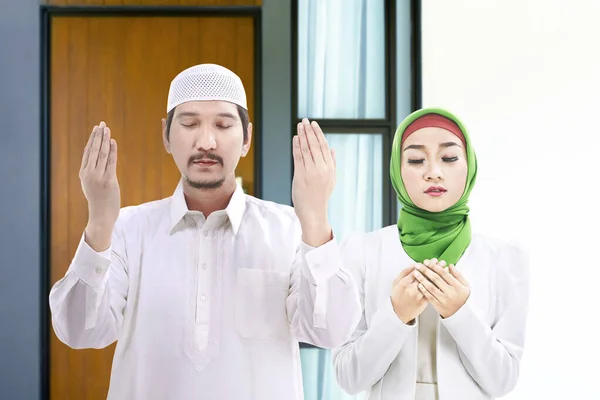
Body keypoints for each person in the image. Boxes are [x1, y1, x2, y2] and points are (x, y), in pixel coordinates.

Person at [49, 63, 362, 400]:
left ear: (247, 138)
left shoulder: (289, 230)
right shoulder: (126, 229)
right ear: (166, 136)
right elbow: (80, 331)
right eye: (189, 123)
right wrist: (99, 220)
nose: (206, 141)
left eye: (223, 124)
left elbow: (332, 331)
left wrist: (315, 216)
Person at [327, 108, 530, 399]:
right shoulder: (362, 252)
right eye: (415, 159)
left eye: (449, 158)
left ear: (469, 165)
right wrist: (396, 315)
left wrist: (460, 313)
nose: (433, 171)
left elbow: (503, 380)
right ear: (398, 170)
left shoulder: (505, 259)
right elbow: (349, 378)